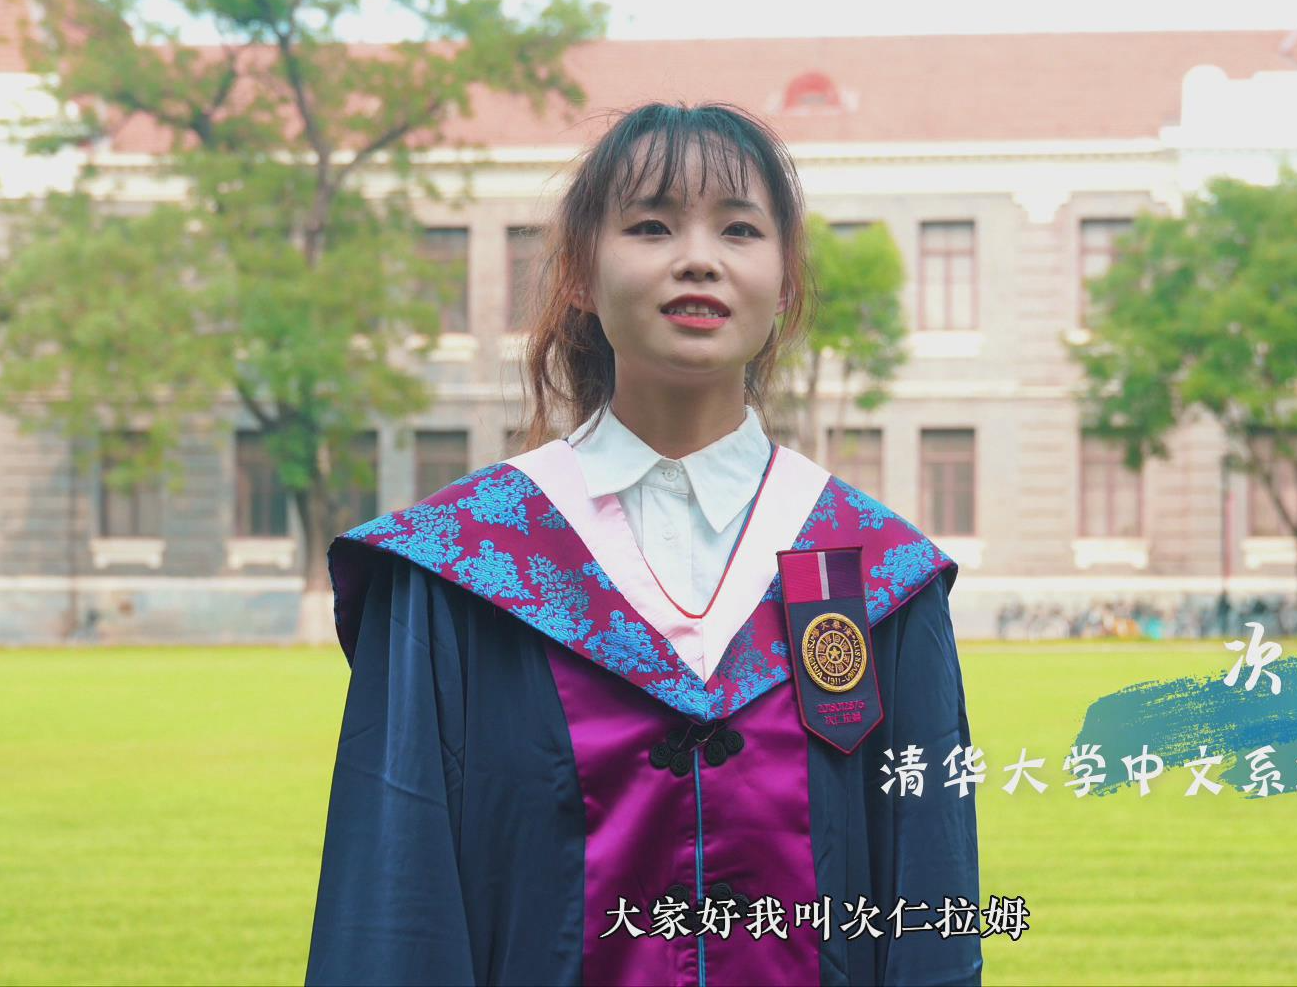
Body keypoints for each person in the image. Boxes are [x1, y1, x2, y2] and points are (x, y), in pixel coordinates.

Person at [305, 102, 982, 986]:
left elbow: (929, 902)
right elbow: (395, 913)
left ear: (783, 285)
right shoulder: (457, 567)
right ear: (580, 276)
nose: (697, 258)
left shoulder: (871, 572)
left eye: (739, 229)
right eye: (651, 225)